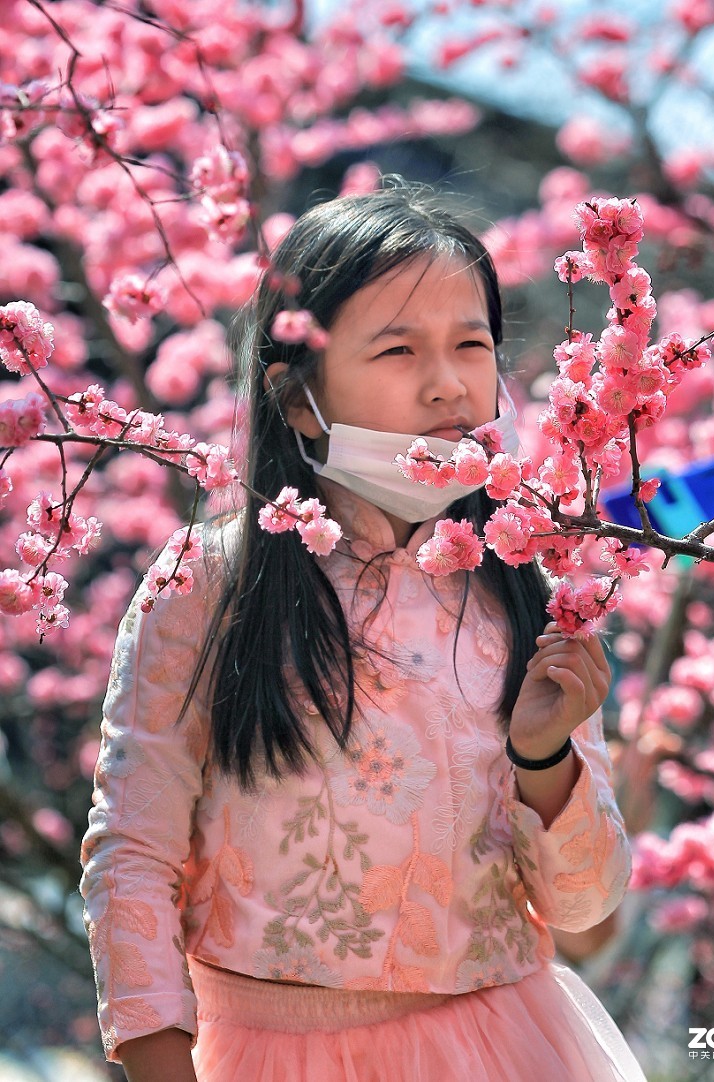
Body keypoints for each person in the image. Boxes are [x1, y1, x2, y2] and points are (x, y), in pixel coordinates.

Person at [80, 182, 647, 1082]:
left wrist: (545, 759)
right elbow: (133, 852)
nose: (449, 383)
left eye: (472, 344)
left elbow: (583, 902)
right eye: (398, 348)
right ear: (297, 397)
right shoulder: (207, 584)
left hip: (507, 1042)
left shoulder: (528, 585)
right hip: (270, 1054)